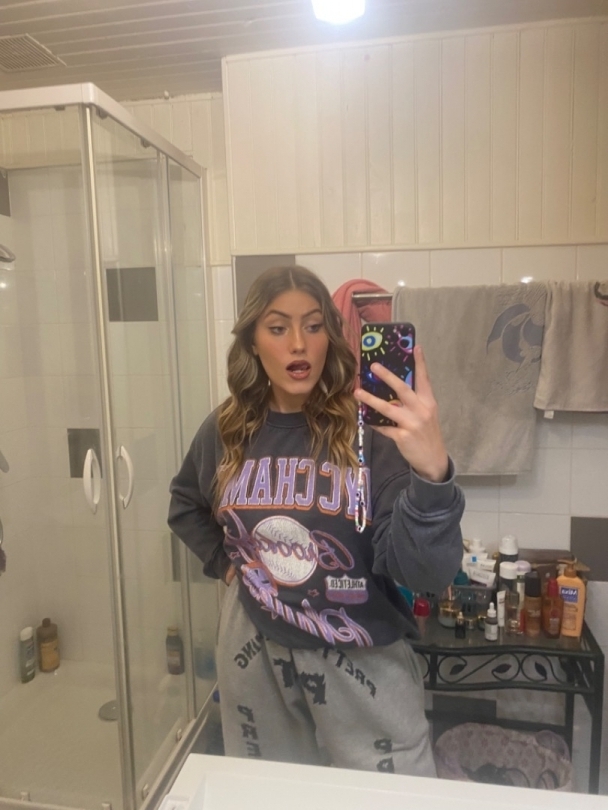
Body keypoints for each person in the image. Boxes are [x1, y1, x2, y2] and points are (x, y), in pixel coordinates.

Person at [168, 265, 464, 776]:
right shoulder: (225, 428)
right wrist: (227, 564)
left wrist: (431, 475)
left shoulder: (368, 433)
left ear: (331, 335)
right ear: (253, 341)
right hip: (255, 653)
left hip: (363, 661)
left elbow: (426, 574)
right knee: (269, 794)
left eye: (313, 325)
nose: (298, 344)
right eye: (277, 327)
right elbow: (184, 503)